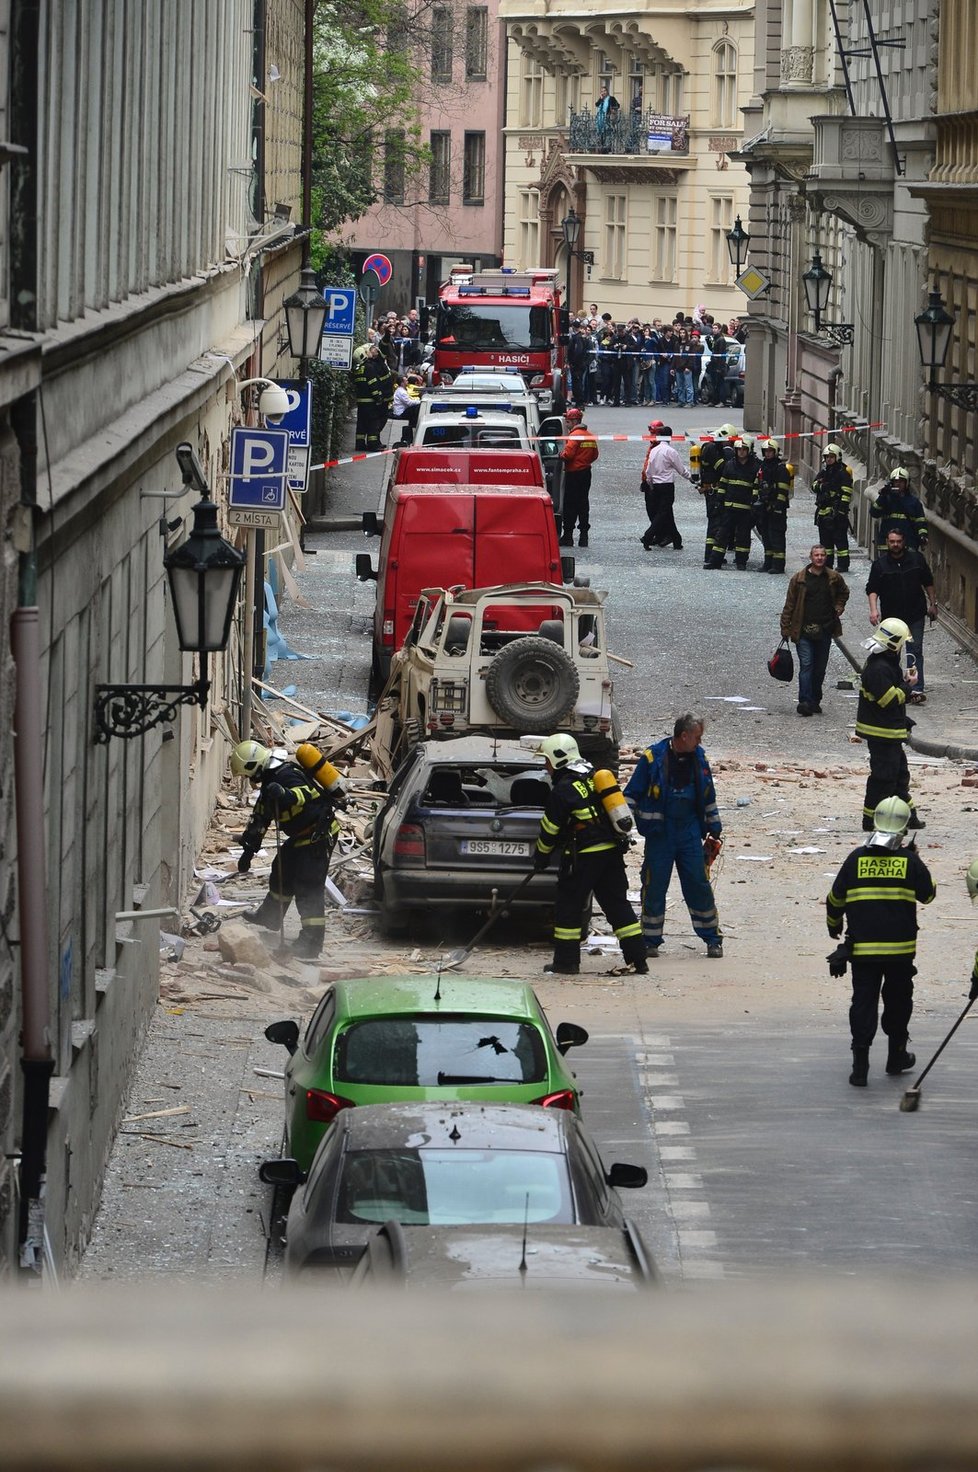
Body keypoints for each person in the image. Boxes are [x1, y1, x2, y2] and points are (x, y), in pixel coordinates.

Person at [826, 796, 936, 1087]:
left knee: (863, 1003)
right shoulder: (909, 861)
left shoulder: (855, 859)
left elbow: (835, 899)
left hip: (862, 951)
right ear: (903, 829)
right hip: (900, 953)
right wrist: (915, 857)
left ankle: (860, 1068)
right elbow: (928, 895)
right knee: (899, 1003)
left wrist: (834, 927)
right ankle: (896, 1056)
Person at [532, 734, 647, 976]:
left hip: (583, 857)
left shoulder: (562, 789)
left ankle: (566, 963)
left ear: (557, 759)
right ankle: (639, 960)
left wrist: (541, 856)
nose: (546, 767)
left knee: (569, 907)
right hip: (612, 853)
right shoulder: (594, 777)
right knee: (618, 906)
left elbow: (550, 830)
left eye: (547, 761)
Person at [623, 713, 723, 959]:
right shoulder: (653, 757)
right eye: (697, 737)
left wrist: (714, 825)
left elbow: (708, 796)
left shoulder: (700, 759)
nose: (700, 742)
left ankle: (712, 939)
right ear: (684, 736)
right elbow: (631, 795)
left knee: (698, 884)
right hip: (661, 834)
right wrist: (621, 825)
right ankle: (650, 940)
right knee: (654, 885)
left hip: (689, 831)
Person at [231, 740, 343, 959]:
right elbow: (260, 819)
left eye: (247, 774)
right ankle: (271, 916)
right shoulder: (268, 784)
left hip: (318, 834)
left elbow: (306, 794)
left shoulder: (285, 775)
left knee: (308, 887)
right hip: (301, 836)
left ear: (254, 767)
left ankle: (311, 944)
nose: (249, 780)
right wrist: (248, 852)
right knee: (281, 869)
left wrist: (285, 794)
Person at [855, 617, 925, 831]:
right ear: (895, 644)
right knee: (883, 778)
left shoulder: (885, 664)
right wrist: (907, 686)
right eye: (902, 643)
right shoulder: (879, 668)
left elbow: (889, 690)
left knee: (899, 775)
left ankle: (908, 816)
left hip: (890, 731)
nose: (903, 647)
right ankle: (872, 820)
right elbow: (887, 700)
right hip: (882, 733)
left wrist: (903, 681)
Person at [866, 529, 938, 704]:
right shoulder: (880, 565)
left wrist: (933, 604)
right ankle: (895, 684)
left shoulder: (916, 560)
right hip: (892, 619)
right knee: (891, 653)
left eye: (898, 541)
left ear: (904, 541)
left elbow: (928, 582)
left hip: (915, 614)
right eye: (892, 541)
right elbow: (872, 589)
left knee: (914, 652)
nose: (895, 545)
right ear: (887, 542)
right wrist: (873, 610)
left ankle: (915, 688)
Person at [779, 545, 850, 716]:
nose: (819, 558)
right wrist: (785, 627)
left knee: (819, 668)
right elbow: (790, 604)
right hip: (803, 630)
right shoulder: (799, 579)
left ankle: (815, 699)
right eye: (816, 555)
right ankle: (804, 701)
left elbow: (844, 592)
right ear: (811, 557)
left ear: (826, 558)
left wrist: (839, 607)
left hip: (825, 629)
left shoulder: (833, 577)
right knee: (807, 665)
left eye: (822, 555)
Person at [707, 437, 759, 569]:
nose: (741, 452)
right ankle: (715, 561)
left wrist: (754, 505)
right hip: (729, 507)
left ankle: (741, 562)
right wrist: (719, 501)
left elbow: (756, 487)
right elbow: (723, 483)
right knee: (722, 535)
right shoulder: (730, 464)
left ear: (749, 451)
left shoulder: (755, 467)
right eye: (739, 449)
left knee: (743, 536)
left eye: (744, 449)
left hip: (745, 509)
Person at [639, 424, 690, 551]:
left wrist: (650, 484)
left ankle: (677, 540)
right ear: (670, 437)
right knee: (663, 513)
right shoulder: (670, 451)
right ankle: (648, 536)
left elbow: (648, 470)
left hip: (655, 486)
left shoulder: (654, 450)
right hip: (667, 486)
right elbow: (681, 470)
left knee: (667, 513)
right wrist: (693, 478)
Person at [697, 423, 736, 568]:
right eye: (731, 442)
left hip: (712, 491)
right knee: (715, 523)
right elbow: (723, 469)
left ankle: (713, 554)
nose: (731, 445)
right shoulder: (713, 449)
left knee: (716, 522)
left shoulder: (711, 447)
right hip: (713, 492)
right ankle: (710, 555)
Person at [559, 408, 599, 548]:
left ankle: (568, 536)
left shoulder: (574, 436)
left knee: (570, 505)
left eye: (568, 421)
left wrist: (560, 455)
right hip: (586, 473)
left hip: (573, 474)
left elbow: (568, 455)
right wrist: (584, 462)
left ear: (575, 421)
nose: (566, 423)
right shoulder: (589, 435)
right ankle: (583, 537)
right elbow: (595, 455)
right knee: (583, 504)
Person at [812, 444, 853, 572]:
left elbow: (847, 493)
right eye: (827, 457)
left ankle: (843, 565)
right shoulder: (824, 472)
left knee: (840, 541)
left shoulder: (842, 473)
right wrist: (822, 487)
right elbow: (814, 485)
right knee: (826, 542)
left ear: (837, 457)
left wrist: (841, 511)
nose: (829, 459)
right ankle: (827, 564)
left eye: (831, 457)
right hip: (823, 512)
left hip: (837, 513)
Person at [869, 467, 928, 553]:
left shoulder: (914, 502)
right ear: (891, 483)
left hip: (908, 543)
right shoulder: (886, 499)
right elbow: (874, 513)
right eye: (896, 481)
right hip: (887, 544)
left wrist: (922, 535)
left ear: (906, 483)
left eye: (901, 481)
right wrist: (882, 497)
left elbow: (921, 521)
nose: (898, 484)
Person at [754, 438, 791, 573]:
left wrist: (777, 507)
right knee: (766, 536)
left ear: (775, 452)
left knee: (777, 537)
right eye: (766, 451)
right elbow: (756, 485)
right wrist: (755, 501)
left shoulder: (781, 469)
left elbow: (783, 491)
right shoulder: (762, 467)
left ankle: (778, 565)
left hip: (777, 509)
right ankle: (768, 563)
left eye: (770, 451)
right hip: (764, 507)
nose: (768, 454)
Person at [352, 343, 394, 452]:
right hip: (370, 402)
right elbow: (373, 383)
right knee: (373, 423)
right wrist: (378, 397)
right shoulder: (369, 367)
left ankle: (360, 444)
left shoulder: (358, 369)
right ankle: (373, 444)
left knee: (361, 423)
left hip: (361, 402)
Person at [391, 373, 422, 444]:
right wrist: (420, 402)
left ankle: (413, 423)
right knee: (416, 407)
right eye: (405, 381)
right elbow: (409, 403)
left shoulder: (401, 390)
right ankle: (414, 424)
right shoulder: (401, 392)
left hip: (401, 410)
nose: (407, 382)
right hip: (400, 412)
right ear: (402, 383)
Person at [594, 83, 620, 150]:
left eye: (604, 91)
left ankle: (608, 147)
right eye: (602, 91)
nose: (603, 92)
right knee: (600, 133)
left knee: (608, 132)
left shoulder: (611, 98)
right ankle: (601, 146)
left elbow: (617, 105)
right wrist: (601, 98)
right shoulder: (601, 99)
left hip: (608, 117)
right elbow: (597, 104)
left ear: (607, 91)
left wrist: (613, 110)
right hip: (600, 118)